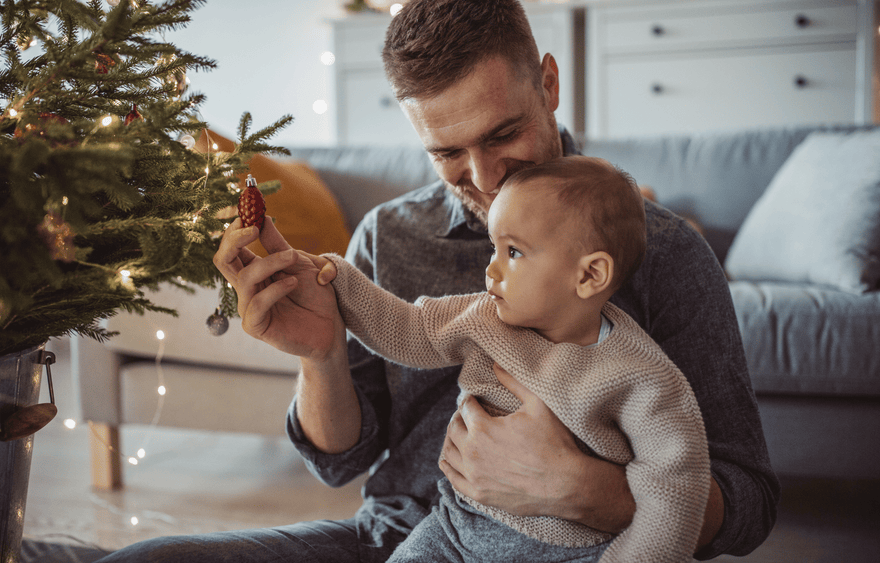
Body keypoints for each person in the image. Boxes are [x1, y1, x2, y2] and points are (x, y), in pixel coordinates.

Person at [96, 1, 779, 561]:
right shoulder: (389, 235)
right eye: (448, 152)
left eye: (502, 133)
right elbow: (341, 464)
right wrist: (321, 354)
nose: (484, 179)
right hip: (404, 538)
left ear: (548, 84)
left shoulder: (663, 252)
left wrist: (582, 490)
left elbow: (746, 502)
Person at [318, 155, 711, 563]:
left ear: (590, 275)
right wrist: (336, 279)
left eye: (515, 252)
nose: (492, 268)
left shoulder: (642, 377)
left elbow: (676, 493)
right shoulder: (485, 316)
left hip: (573, 551)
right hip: (454, 529)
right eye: (495, 247)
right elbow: (407, 328)